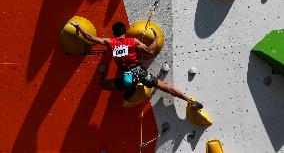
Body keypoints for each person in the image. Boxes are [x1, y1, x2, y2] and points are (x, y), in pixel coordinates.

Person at [70, 22, 203, 109]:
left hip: (128, 77)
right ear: (125, 31)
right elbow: (150, 50)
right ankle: (191, 102)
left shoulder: (110, 42)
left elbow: (90, 37)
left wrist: (78, 27)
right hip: (140, 72)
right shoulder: (133, 41)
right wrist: (156, 39)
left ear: (114, 33)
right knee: (166, 87)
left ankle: (128, 86)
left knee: (104, 84)